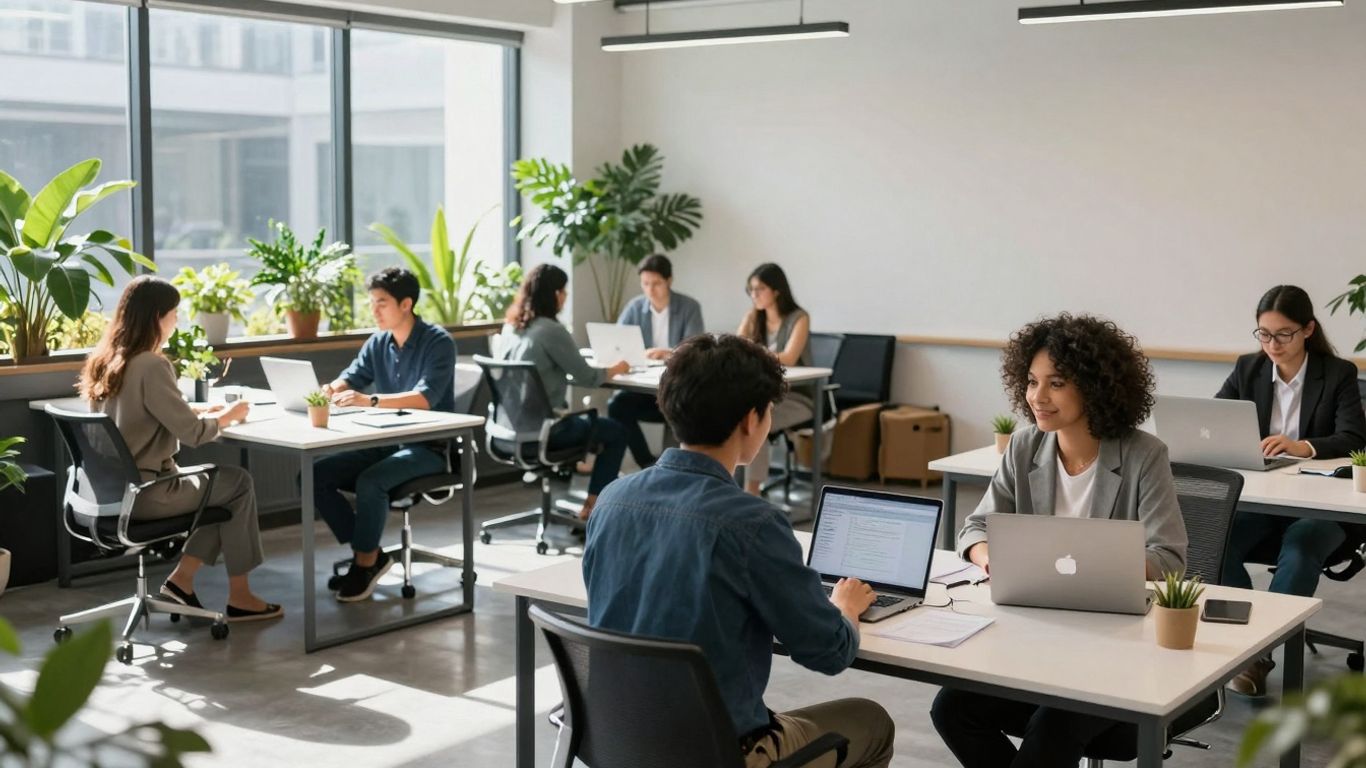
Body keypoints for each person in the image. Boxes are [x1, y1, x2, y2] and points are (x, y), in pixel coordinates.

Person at [583, 333, 895, 768]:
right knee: (871, 720)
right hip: (720, 753)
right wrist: (845, 607)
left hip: (620, 739)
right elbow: (829, 651)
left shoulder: (613, 500)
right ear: (752, 420)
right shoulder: (753, 523)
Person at [932, 313, 1187, 768]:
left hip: (1116, 652)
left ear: (1094, 386)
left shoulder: (1145, 455)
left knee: (1052, 727)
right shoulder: (1025, 446)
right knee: (952, 709)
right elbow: (974, 529)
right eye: (1031, 382)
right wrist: (993, 559)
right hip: (1033, 640)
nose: (1037, 397)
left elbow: (1168, 559)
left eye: (1056, 383)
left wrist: (1098, 564)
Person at [78, 276, 280, 622]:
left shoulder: (106, 360)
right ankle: (240, 596)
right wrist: (228, 417)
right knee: (237, 485)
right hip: (148, 493)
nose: (177, 321)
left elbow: (140, 411)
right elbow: (194, 435)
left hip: (106, 492)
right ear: (158, 316)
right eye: (174, 313)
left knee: (220, 492)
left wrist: (198, 410)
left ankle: (182, 581)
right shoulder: (152, 364)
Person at [1217, 285, 1366, 697]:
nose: (1272, 344)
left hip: (1320, 504)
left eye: (1283, 334)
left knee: (1300, 548)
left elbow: (1355, 437)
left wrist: (1305, 447)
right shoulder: (1248, 369)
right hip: (1264, 499)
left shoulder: (1337, 373)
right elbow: (1215, 420)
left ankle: (1256, 655)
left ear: (1307, 330)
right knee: (1215, 543)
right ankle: (1246, 648)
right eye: (1264, 334)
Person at [313, 267, 457, 602]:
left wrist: (370, 401)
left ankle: (364, 562)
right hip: (387, 441)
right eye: (372, 303)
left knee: (371, 482)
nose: (374, 310)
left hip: (430, 448)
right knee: (314, 474)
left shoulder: (438, 343)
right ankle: (370, 553)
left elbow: (425, 398)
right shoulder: (378, 342)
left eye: (381, 303)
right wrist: (326, 391)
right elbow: (352, 376)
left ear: (406, 304)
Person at [497, 263, 629, 521]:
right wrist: (616, 368)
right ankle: (594, 508)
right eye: (564, 291)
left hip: (508, 430)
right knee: (615, 431)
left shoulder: (511, 328)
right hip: (546, 431)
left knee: (603, 426)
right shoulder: (552, 330)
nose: (566, 297)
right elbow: (588, 376)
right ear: (556, 294)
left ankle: (591, 504)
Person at [607, 254, 705, 469]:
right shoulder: (634, 307)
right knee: (617, 406)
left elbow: (695, 349)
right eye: (645, 284)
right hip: (643, 389)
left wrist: (668, 353)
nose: (650, 290)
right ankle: (647, 463)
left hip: (676, 387)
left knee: (679, 407)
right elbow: (617, 344)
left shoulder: (689, 307)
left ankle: (670, 470)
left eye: (657, 283)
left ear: (669, 281)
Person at [736, 263, 811, 495]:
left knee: (756, 420)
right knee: (736, 416)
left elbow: (788, 357)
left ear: (776, 290)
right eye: (751, 290)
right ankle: (730, 489)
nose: (754, 295)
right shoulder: (752, 316)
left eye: (759, 289)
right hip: (760, 393)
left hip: (797, 397)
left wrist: (753, 352)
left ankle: (751, 493)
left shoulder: (798, 318)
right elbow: (735, 348)